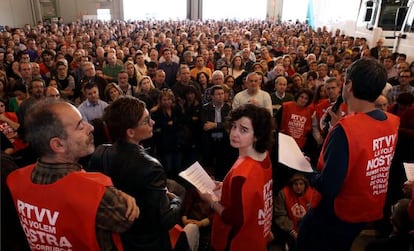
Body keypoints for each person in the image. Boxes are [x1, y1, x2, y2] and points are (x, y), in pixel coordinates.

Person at [6, 99, 139, 250]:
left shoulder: (14, 180)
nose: (90, 127)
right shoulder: (97, 192)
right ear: (58, 144)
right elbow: (131, 221)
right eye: (80, 126)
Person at [297, 58, 400, 251]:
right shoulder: (391, 122)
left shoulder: (345, 130)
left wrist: (305, 168)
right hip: (364, 209)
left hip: (334, 214)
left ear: (349, 85)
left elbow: (328, 187)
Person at [88, 96, 184, 251]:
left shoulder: (100, 152)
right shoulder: (151, 166)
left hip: (116, 237)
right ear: (130, 132)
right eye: (146, 121)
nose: (152, 123)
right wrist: (178, 201)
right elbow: (164, 220)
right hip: (146, 242)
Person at [199, 104, 274, 251]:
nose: (234, 133)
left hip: (237, 240)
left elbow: (233, 218)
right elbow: (254, 193)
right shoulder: (265, 156)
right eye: (234, 126)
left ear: (257, 135)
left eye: (243, 130)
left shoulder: (243, 173)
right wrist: (225, 185)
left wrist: (211, 202)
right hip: (258, 231)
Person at [273, 173, 314, 251]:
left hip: (308, 229)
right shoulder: (283, 194)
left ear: (305, 184)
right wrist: (292, 231)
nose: (298, 187)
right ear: (291, 184)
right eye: (295, 184)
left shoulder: (311, 193)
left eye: (301, 184)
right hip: (289, 229)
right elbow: (280, 215)